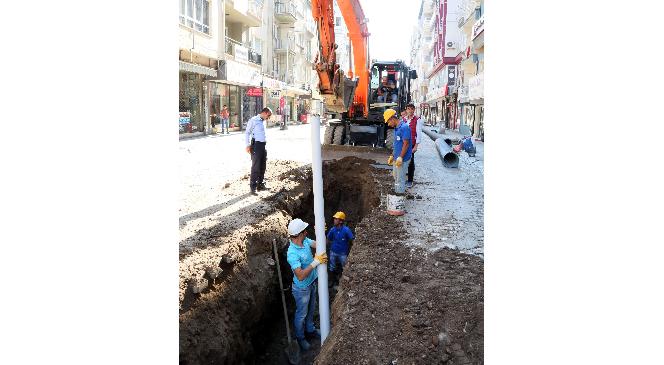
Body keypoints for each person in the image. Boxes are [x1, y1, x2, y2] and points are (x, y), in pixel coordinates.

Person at [286, 218, 328, 351]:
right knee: (301, 314)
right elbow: (300, 275)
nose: (306, 232)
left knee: (311, 310)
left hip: (311, 283)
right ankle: (300, 338)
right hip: (301, 289)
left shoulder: (305, 241)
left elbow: (322, 245)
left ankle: (310, 329)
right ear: (300, 233)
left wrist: (320, 233)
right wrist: (315, 262)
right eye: (305, 230)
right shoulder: (292, 253)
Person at [384, 108, 412, 195]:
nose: (388, 124)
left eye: (389, 122)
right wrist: (393, 155)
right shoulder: (396, 128)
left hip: (403, 158)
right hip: (397, 157)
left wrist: (400, 157)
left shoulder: (404, 127)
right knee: (396, 176)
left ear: (393, 118)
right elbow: (396, 144)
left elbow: (406, 144)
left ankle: (399, 198)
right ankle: (397, 193)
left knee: (400, 178)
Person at [245, 107, 272, 194]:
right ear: (265, 112)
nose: (268, 118)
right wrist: (247, 145)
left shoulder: (263, 121)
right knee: (255, 166)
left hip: (263, 145)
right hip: (256, 145)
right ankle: (253, 187)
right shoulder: (253, 120)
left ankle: (260, 184)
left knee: (262, 166)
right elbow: (247, 132)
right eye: (268, 115)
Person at [326, 211, 354, 287]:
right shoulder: (332, 230)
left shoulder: (346, 230)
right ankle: (332, 280)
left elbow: (352, 240)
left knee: (344, 267)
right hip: (333, 251)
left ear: (341, 221)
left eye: (336, 219)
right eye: (334, 219)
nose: (334, 220)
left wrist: (353, 251)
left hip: (343, 253)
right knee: (332, 266)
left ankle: (342, 282)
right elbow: (328, 239)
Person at [404, 103, 423, 188]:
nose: (410, 110)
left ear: (414, 110)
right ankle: (404, 178)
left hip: (412, 144)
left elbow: (418, 134)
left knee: (411, 162)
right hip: (404, 144)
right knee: (404, 161)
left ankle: (410, 180)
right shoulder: (404, 119)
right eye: (408, 109)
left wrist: (416, 146)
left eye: (412, 109)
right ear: (406, 110)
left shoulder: (417, 120)